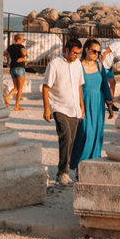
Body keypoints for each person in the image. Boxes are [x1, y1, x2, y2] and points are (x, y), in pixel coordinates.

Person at [42, 38, 84, 185]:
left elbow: (79, 86)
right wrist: (47, 109)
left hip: (74, 108)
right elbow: (46, 87)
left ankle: (64, 170)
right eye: (74, 53)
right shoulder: (54, 64)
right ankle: (62, 173)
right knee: (65, 136)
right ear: (66, 50)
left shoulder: (78, 64)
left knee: (71, 140)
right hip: (58, 106)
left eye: (78, 53)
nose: (76, 56)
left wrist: (81, 106)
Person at [70, 37, 113, 172]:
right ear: (86, 50)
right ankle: (80, 165)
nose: (96, 54)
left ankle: (93, 166)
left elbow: (105, 86)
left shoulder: (100, 66)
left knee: (96, 135)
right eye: (94, 51)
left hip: (98, 104)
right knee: (84, 134)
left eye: (98, 53)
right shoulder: (78, 65)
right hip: (83, 103)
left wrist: (110, 105)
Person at [99, 39, 120, 120]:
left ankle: (111, 103)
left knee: (113, 83)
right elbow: (105, 52)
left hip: (109, 67)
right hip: (103, 64)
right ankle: (106, 102)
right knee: (103, 84)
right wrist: (100, 65)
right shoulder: (118, 44)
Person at [7, 33, 27, 111]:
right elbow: (24, 53)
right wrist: (22, 57)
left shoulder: (10, 47)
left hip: (12, 67)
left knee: (15, 87)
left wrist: (11, 57)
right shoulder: (21, 46)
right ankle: (16, 106)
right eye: (22, 39)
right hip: (20, 68)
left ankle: (8, 97)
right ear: (19, 39)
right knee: (20, 88)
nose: (23, 41)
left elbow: (5, 53)